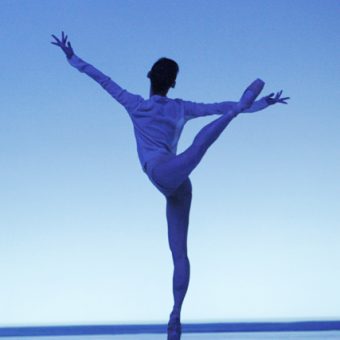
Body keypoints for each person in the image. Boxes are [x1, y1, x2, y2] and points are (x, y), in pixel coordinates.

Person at [51, 31, 289, 340]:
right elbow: (219, 104)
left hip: (163, 174)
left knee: (195, 158)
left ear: (149, 76)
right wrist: (258, 105)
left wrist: (72, 58)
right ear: (173, 83)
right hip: (179, 183)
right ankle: (176, 311)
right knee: (181, 248)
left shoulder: (135, 104)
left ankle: (176, 312)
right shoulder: (181, 107)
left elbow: (102, 79)